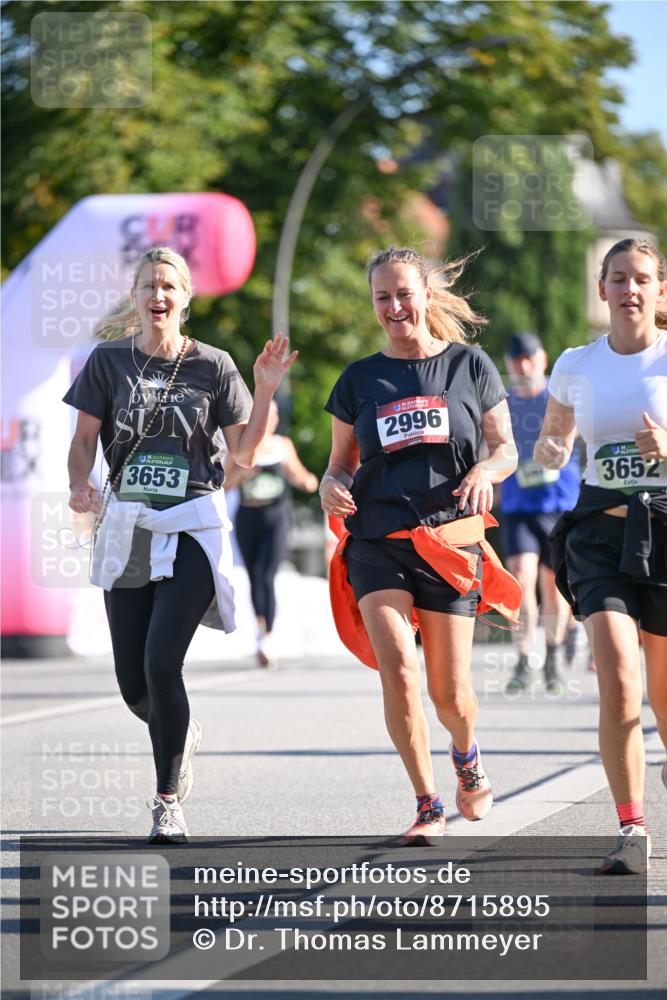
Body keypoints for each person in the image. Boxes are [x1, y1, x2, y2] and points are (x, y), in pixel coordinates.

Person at [64, 246, 296, 843]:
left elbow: (243, 455)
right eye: (148, 285)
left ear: (186, 299)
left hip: (194, 520)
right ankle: (180, 730)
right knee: (133, 682)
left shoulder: (214, 366)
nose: (158, 295)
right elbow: (84, 438)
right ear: (135, 297)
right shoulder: (107, 361)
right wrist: (77, 484)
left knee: (162, 660)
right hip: (130, 524)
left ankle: (167, 800)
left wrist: (265, 389)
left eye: (169, 286)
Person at [321, 246, 521, 843]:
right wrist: (332, 488)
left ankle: (466, 756)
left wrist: (487, 472)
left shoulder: (470, 365)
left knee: (450, 692)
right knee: (399, 673)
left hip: (449, 542)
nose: (394, 306)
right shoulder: (358, 379)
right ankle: (427, 803)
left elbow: (505, 448)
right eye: (382, 296)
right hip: (377, 541)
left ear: (426, 295)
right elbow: (338, 465)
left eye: (403, 293)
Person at [534, 237, 667, 874]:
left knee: (665, 697)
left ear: (660, 289)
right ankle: (632, 828)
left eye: (642, 279)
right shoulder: (575, 363)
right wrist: (551, 452)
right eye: (619, 279)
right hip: (597, 534)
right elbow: (555, 438)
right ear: (602, 289)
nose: (630, 290)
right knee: (618, 683)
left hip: (664, 535)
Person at [500, 331, 581, 694]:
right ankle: (523, 659)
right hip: (518, 507)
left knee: (553, 587)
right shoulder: (501, 403)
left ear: (542, 359)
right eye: (517, 361)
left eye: (530, 359)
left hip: (558, 505)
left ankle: (551, 658)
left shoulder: (558, 396)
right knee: (520, 578)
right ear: (509, 364)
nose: (524, 366)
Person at [225, 400, 318, 666]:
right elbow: (222, 484)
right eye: (267, 414)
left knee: (267, 573)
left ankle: (268, 636)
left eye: (275, 414)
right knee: (255, 576)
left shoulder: (282, 445)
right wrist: (242, 476)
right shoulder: (241, 448)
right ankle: (260, 630)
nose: (271, 419)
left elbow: (301, 476)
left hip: (276, 518)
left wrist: (309, 481)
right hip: (248, 516)